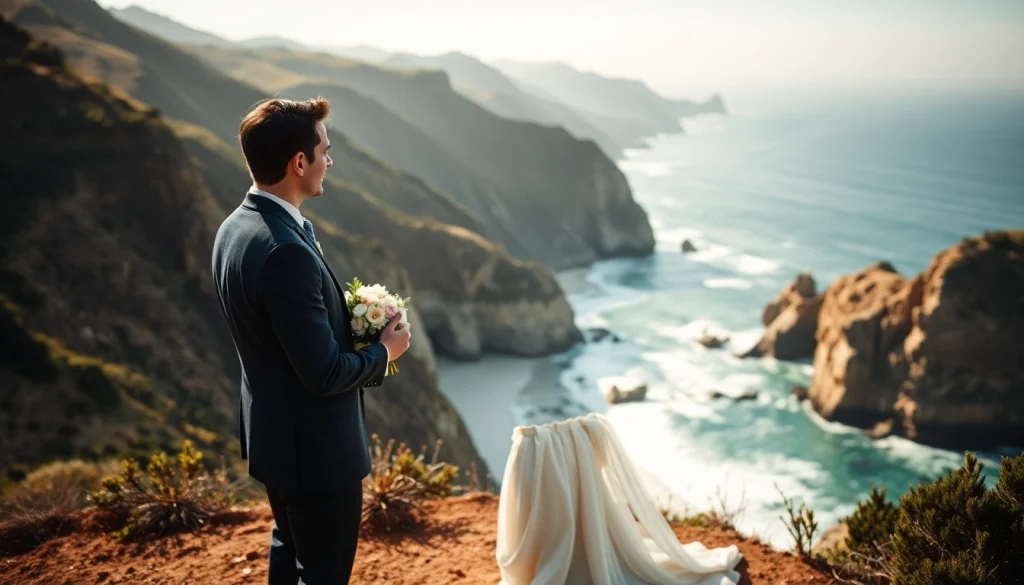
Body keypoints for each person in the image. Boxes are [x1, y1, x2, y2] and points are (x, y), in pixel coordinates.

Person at [211, 97, 412, 585]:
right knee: (323, 573)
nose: (330, 159)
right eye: (325, 149)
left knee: (291, 551)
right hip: (317, 454)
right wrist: (385, 351)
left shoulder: (235, 228)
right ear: (299, 162)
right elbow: (321, 374)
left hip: (276, 442)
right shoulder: (285, 251)